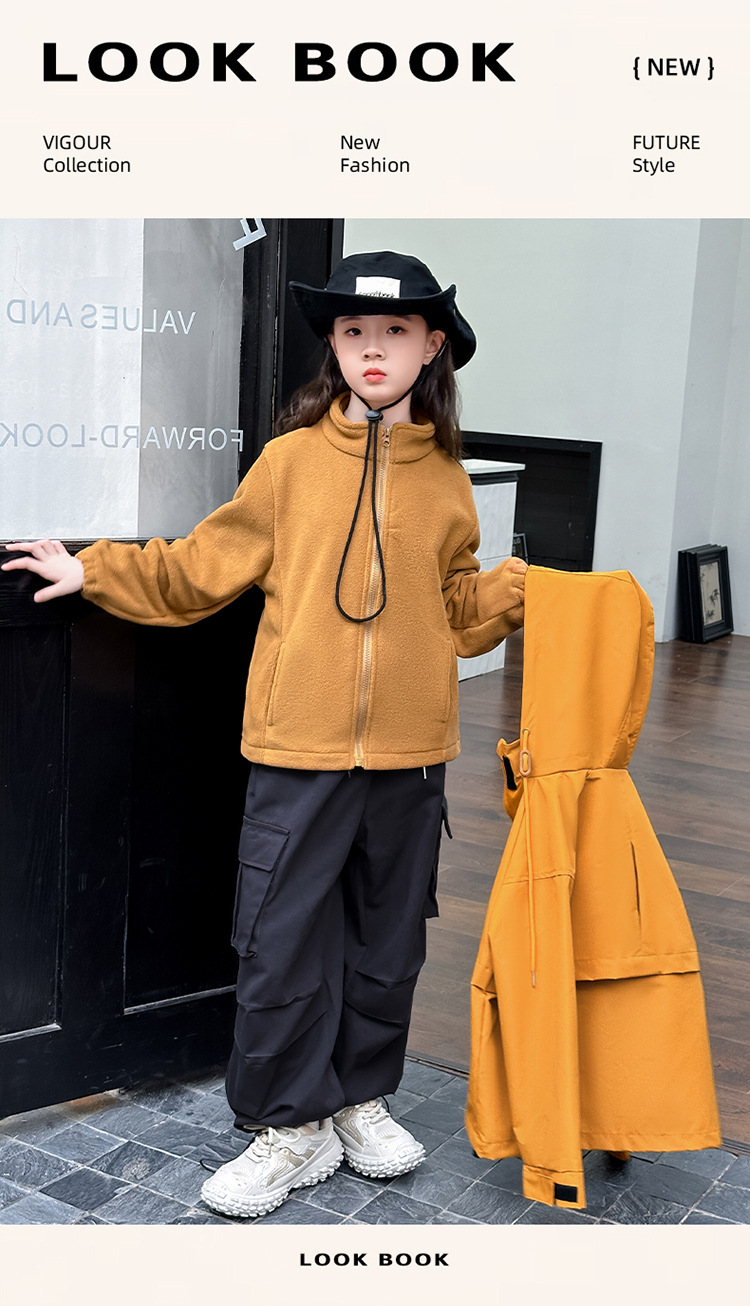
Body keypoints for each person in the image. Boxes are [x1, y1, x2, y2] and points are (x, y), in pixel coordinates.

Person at [2, 249, 528, 1219]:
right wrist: (92, 570)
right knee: (281, 944)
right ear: (335, 345)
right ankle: (292, 1127)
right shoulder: (288, 466)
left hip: (411, 759)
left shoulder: (449, 481)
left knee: (386, 945)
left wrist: (510, 593)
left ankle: (361, 1100)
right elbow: (201, 567)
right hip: (297, 753)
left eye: (396, 330)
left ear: (432, 347)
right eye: (355, 331)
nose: (374, 348)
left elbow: (456, 614)